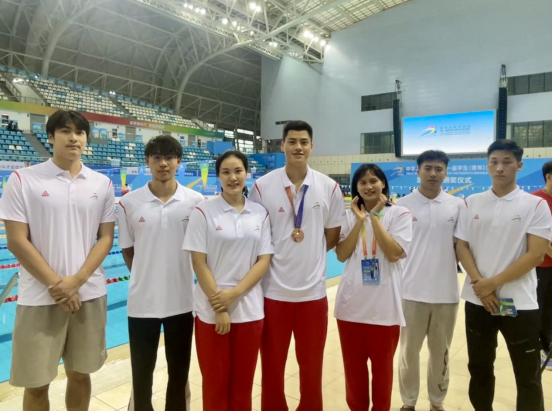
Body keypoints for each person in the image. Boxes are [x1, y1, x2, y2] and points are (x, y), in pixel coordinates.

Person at [0, 110, 115, 410]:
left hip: (88, 294)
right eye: (65, 131)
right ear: (50, 137)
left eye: (79, 132)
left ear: (86, 139)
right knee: (36, 384)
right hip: (39, 297)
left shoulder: (101, 184)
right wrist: (58, 285)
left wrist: (76, 281)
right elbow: (16, 240)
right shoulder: (23, 180)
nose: (73, 138)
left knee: (80, 374)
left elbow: (106, 238)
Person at [249, 121, 346, 411]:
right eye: (292, 141)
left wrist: (308, 250)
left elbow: (331, 237)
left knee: (312, 368)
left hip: (312, 296)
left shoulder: (329, 188)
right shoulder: (262, 187)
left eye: (304, 142)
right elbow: (256, 236)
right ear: (282, 146)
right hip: (273, 295)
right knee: (272, 369)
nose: (298, 147)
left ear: (312, 146)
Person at [456, 140, 552, 411]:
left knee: (527, 375)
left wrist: (491, 284)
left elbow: (536, 255)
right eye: (494, 162)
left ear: (519, 165)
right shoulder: (472, 202)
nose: (500, 168)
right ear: (487, 165)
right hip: (478, 302)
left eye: (507, 162)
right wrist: (481, 286)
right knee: (479, 368)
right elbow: (461, 246)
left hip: (519, 303)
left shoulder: (535, 205)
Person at [183, 150, 273, 410]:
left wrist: (233, 295)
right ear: (218, 176)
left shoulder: (260, 213)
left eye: (238, 171)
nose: (233, 177)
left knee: (243, 386)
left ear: (247, 174)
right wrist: (220, 307)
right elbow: (199, 263)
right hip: (211, 313)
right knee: (215, 385)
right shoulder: (203, 212)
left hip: (250, 312)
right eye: (226, 172)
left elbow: (263, 261)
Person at [118, 136, 203, 411]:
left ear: (179, 161)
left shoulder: (196, 201)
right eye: (156, 157)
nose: (163, 163)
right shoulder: (129, 203)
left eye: (169, 157)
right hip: (142, 304)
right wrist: (147, 277)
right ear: (147, 161)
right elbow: (128, 250)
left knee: (179, 375)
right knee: (141, 376)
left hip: (182, 303)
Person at [335, 164, 412, 411]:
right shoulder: (348, 216)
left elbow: (394, 253)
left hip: (385, 309)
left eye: (373, 181)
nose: (368, 186)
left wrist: (375, 218)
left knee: (383, 373)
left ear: (383, 184)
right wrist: (360, 221)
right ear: (356, 188)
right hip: (350, 308)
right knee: (353, 372)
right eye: (362, 182)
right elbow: (341, 254)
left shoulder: (400, 214)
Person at [397, 151, 465, 411]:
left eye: (438, 168)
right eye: (428, 168)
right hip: (410, 292)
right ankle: (408, 402)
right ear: (418, 171)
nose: (433, 173)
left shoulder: (457, 206)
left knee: (441, 354)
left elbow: (463, 247)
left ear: (445, 172)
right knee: (408, 353)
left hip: (446, 294)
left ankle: (437, 402)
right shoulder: (402, 205)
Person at [532, 160, 553, 371]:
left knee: (550, 311)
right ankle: (536, 348)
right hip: (540, 266)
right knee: (537, 308)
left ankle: (547, 346)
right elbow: (539, 239)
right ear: (549, 177)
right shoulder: (536, 201)